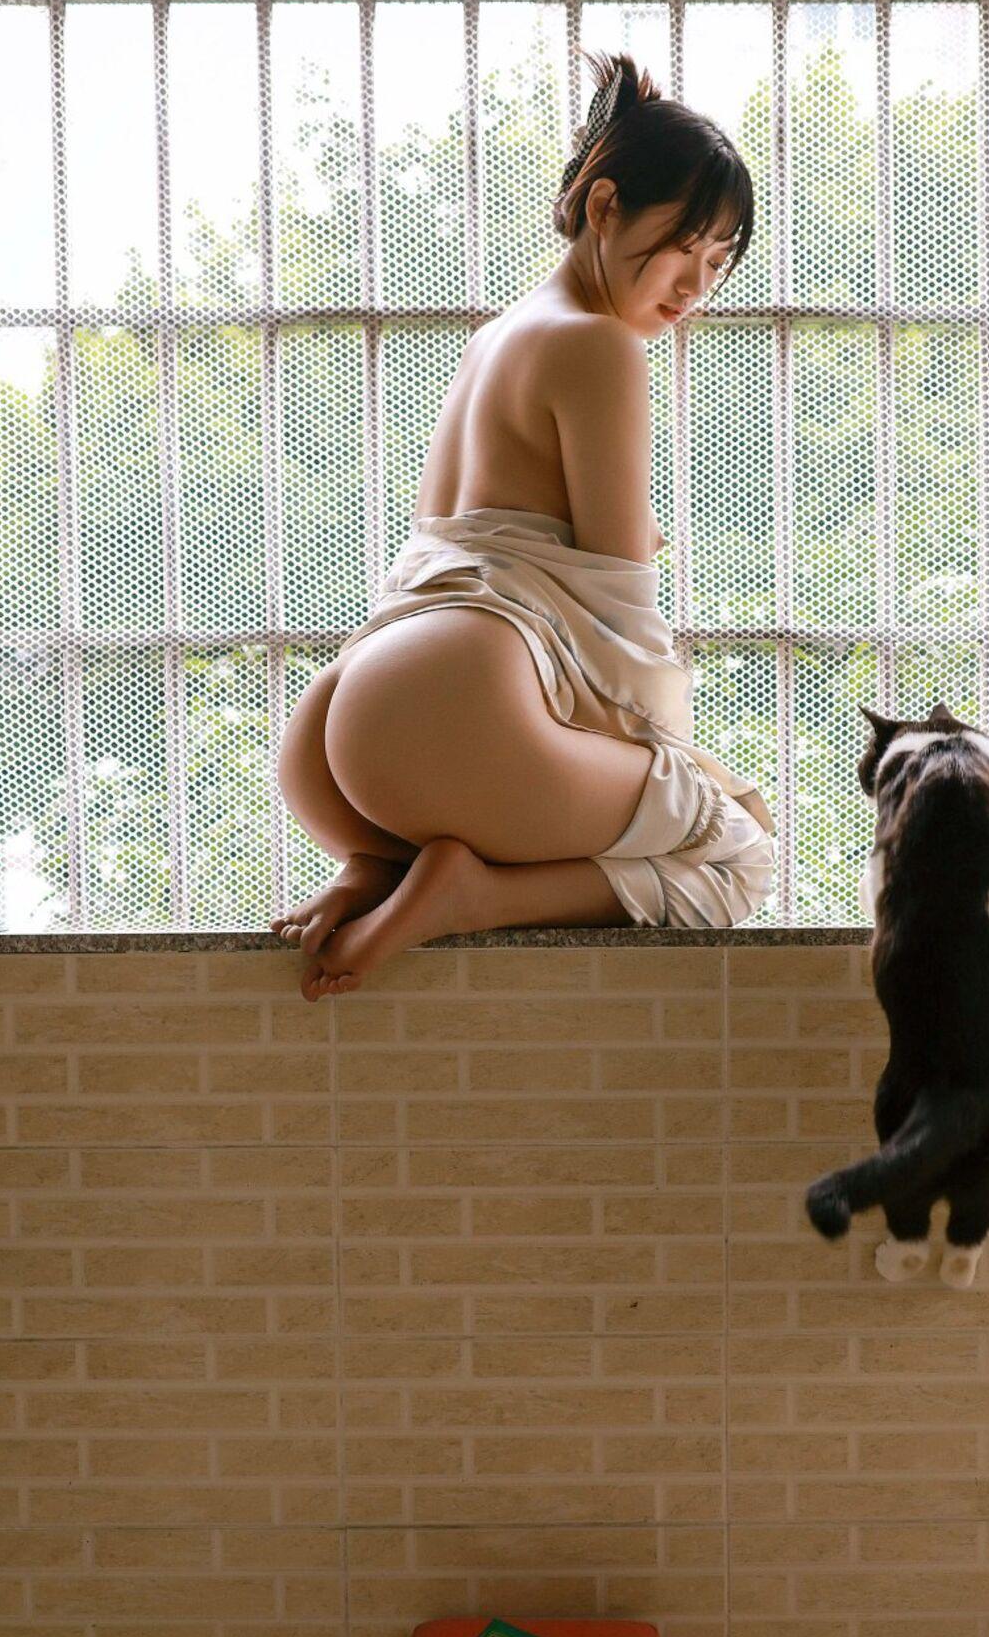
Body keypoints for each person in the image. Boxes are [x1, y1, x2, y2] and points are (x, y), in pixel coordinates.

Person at [270, 51, 778, 1001]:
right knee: (741, 851)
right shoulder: (600, 346)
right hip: (460, 718)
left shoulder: (494, 338)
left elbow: (461, 553)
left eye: (716, 265)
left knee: (675, 814)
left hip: (340, 734)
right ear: (604, 207)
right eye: (682, 249)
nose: (694, 289)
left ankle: (379, 867)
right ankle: (470, 894)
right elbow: (620, 617)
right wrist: (674, 761)